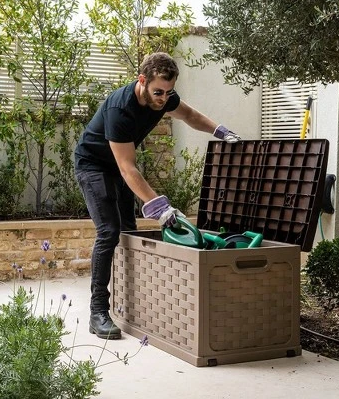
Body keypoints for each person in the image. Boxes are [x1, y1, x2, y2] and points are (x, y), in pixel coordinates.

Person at [74, 52, 241, 339]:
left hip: (119, 167)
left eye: (168, 91)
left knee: (129, 231)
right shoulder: (120, 109)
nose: (164, 98)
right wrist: (160, 207)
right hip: (93, 166)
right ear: (142, 80)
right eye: (158, 92)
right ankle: (98, 311)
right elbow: (127, 168)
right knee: (109, 231)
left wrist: (220, 131)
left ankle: (128, 302)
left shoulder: (163, 98)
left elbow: (189, 115)